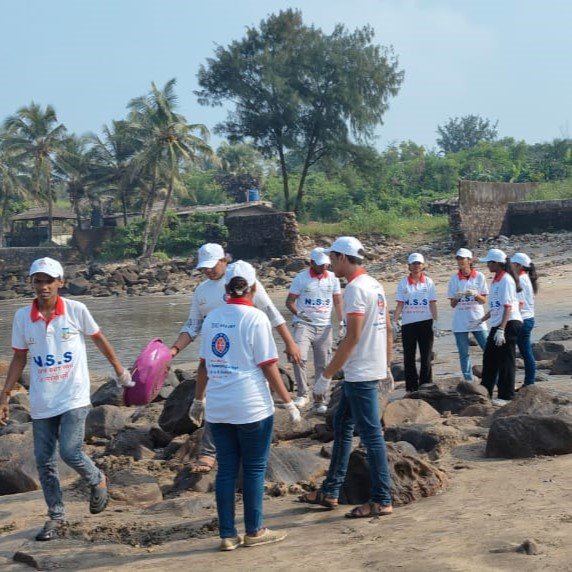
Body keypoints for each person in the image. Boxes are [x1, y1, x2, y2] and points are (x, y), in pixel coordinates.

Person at [0, 257, 133, 541]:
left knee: (70, 452)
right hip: (41, 400)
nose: (44, 286)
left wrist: (120, 370)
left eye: (49, 281)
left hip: (74, 396)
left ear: (60, 282)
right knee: (44, 462)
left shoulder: (76, 310)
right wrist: (5, 394)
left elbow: (99, 339)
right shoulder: (24, 317)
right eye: (38, 281)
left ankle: (97, 478)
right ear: (32, 283)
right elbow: (19, 357)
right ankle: (56, 517)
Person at [191, 261, 301, 550]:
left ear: (226, 288)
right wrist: (289, 403)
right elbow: (268, 366)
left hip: (218, 407)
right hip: (251, 406)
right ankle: (255, 531)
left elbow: (203, 365)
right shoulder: (255, 318)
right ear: (253, 288)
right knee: (253, 469)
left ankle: (227, 534)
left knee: (226, 469)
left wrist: (198, 400)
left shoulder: (213, 318)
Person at [169, 243, 301, 474]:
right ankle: (208, 453)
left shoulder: (246, 283)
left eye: (212, 266)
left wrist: (290, 342)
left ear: (224, 261)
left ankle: (253, 445)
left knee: (252, 395)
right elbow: (193, 324)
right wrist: (173, 350)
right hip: (218, 352)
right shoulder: (201, 291)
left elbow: (271, 313)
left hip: (247, 349)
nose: (208, 271)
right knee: (214, 399)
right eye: (204, 268)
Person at [298, 236, 394, 519]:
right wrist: (386, 364)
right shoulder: (375, 285)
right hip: (365, 369)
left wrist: (325, 376)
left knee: (371, 436)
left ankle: (381, 499)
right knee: (342, 425)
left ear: (342, 258)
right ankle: (331, 490)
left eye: (333, 259)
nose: (330, 264)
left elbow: (351, 337)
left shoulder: (354, 289)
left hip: (361, 371)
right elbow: (387, 328)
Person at [285, 247, 343, 413]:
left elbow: (338, 302)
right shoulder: (301, 278)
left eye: (326, 264)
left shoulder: (332, 278)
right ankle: (303, 393)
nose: (324, 267)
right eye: (320, 264)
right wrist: (300, 314)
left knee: (323, 365)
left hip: (324, 326)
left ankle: (320, 400)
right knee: (298, 357)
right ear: (311, 263)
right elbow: (290, 302)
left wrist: (342, 322)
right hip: (304, 324)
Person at [470, 248, 522, 404]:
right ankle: (486, 391)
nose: (488, 265)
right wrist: (481, 319)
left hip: (509, 322)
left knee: (506, 359)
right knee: (489, 357)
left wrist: (501, 329)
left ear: (497, 264)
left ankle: (506, 396)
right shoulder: (495, 280)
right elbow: (495, 307)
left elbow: (507, 307)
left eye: (490, 262)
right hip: (498, 322)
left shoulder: (506, 280)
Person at [393, 253, 439, 393]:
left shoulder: (429, 282)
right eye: (413, 263)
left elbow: (432, 303)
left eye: (418, 263)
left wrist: (436, 321)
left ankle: (426, 385)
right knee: (409, 356)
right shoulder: (403, 283)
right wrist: (395, 321)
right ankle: (411, 388)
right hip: (408, 324)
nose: (416, 266)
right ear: (409, 266)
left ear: (423, 265)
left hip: (426, 322)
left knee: (426, 355)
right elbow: (400, 304)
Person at [446, 248, 489, 382]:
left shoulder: (479, 276)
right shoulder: (454, 279)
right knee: (464, 353)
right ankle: (469, 380)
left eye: (462, 259)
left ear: (469, 261)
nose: (460, 261)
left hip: (477, 319)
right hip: (460, 322)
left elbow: (483, 301)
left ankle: (493, 377)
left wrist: (475, 294)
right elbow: (452, 304)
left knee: (488, 350)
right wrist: (457, 298)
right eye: (458, 259)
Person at [511, 252, 538, 387]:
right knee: (526, 352)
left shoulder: (521, 279)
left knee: (525, 352)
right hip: (528, 318)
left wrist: (514, 320)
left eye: (513, 264)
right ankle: (529, 382)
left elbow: (520, 303)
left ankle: (529, 382)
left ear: (519, 266)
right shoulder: (527, 278)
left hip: (523, 320)